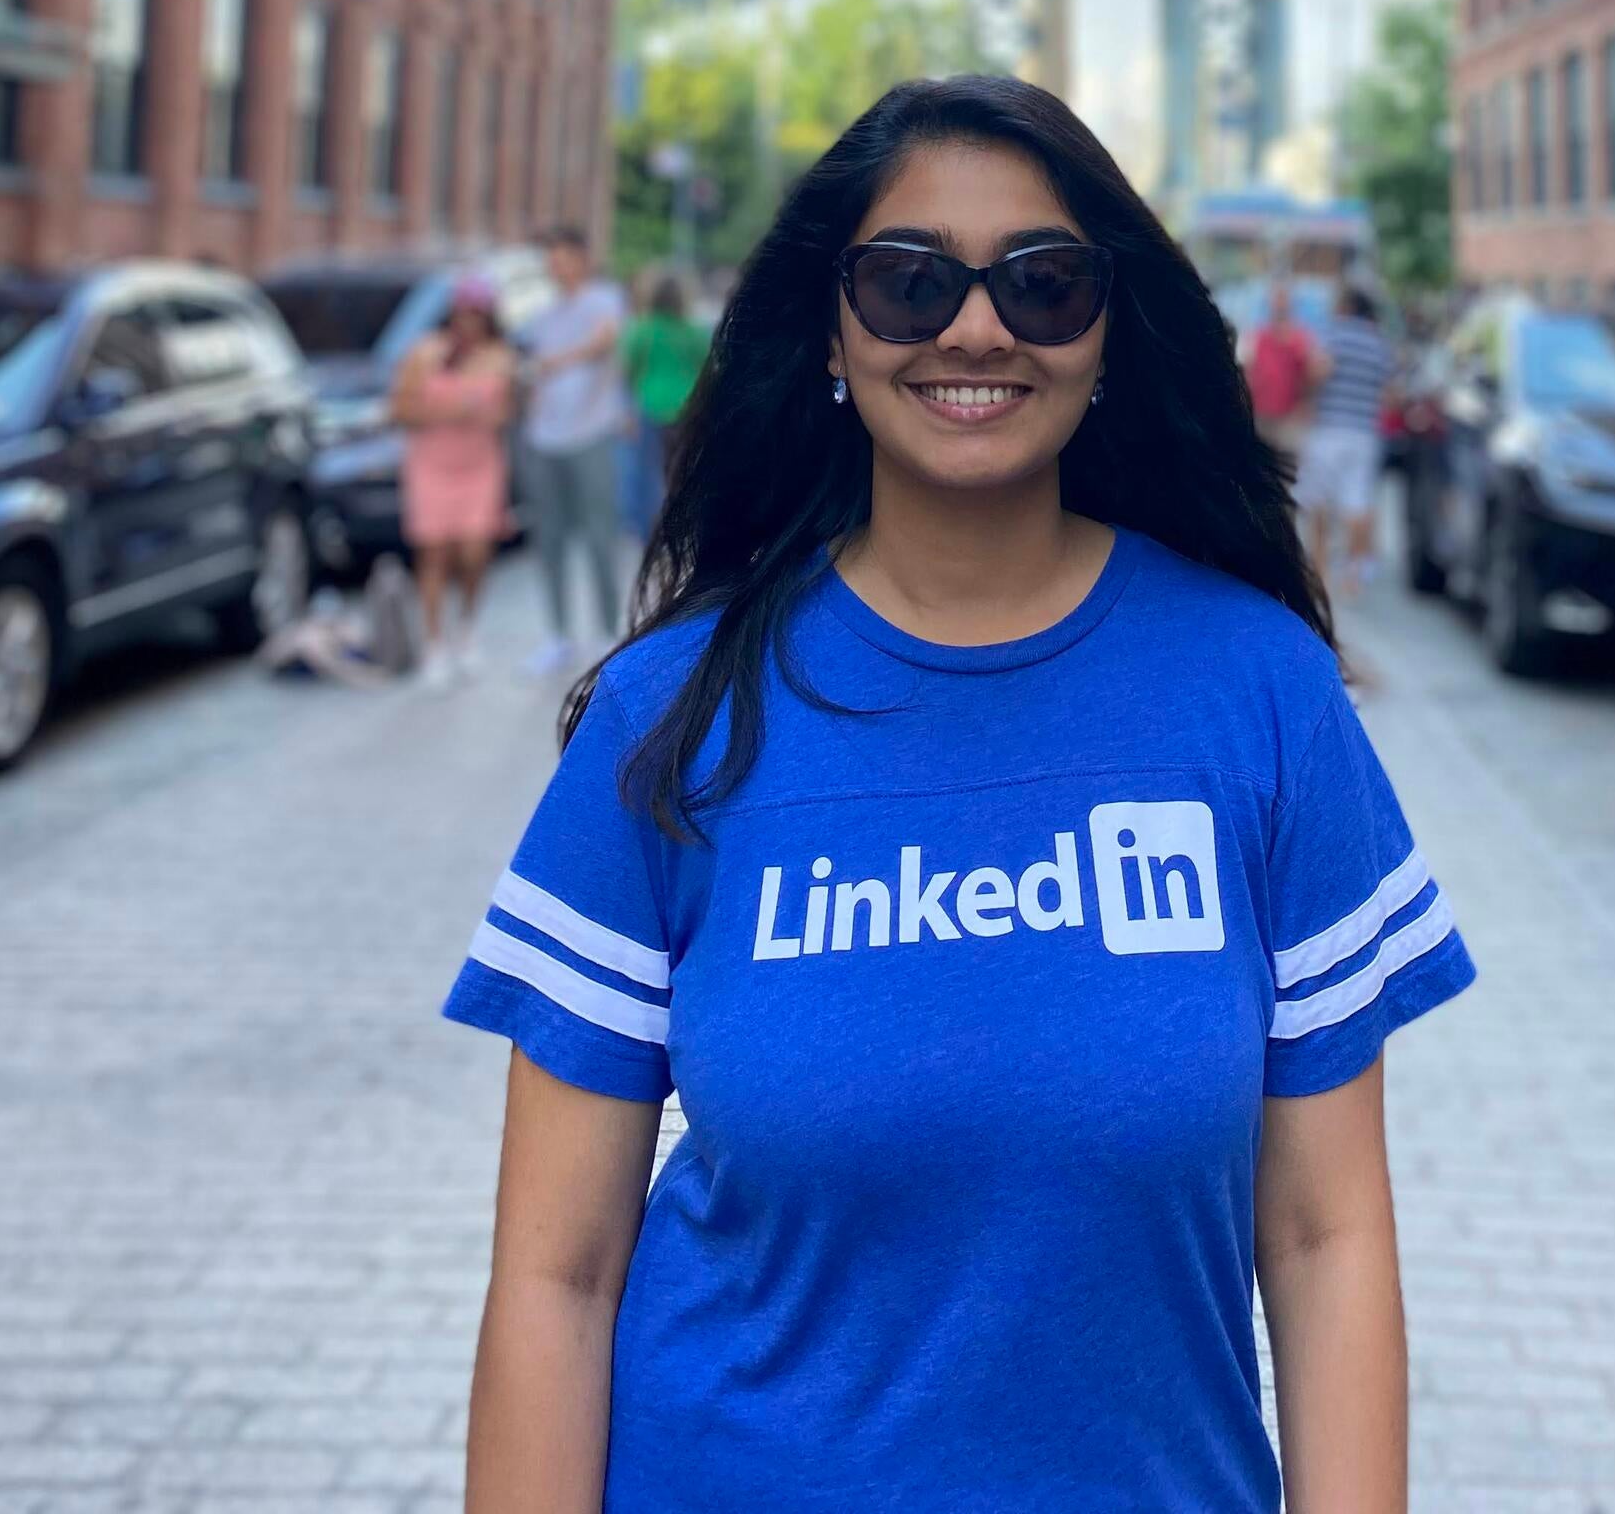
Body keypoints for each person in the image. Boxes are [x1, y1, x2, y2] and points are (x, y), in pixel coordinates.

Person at [446, 76, 1473, 1514]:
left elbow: (1322, 1239)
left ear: (1108, 332)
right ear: (831, 328)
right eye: (908, 282)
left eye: (1042, 285)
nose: (974, 328)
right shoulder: (667, 719)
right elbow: (558, 1277)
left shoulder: (1264, 698)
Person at [391, 276, 517, 688]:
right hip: (431, 463)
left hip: (479, 464)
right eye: (464, 315)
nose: (469, 324)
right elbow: (399, 410)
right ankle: (433, 643)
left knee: (475, 549)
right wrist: (447, 413)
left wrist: (487, 414)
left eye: (478, 316)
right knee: (435, 552)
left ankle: (466, 625)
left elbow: (509, 412)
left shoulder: (500, 357)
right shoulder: (425, 353)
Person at [516, 225, 628, 677]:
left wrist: (554, 363)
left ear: (581, 259)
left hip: (591, 433)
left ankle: (607, 632)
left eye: (562, 257)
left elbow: (604, 342)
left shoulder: (603, 299)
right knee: (550, 540)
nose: (555, 267)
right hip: (545, 438)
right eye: (551, 259)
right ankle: (558, 636)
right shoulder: (545, 314)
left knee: (600, 535)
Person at [1295, 284, 1396, 593]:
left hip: (1329, 429)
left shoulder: (1333, 334)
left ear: (1347, 306)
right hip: (1364, 433)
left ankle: (1321, 568)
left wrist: (1306, 397)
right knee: (1358, 502)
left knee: (1318, 502)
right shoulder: (1380, 344)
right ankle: (1353, 576)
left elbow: (1317, 371)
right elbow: (1390, 395)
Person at [622, 271, 709, 530]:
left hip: (651, 407)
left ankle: (655, 530)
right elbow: (708, 369)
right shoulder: (693, 331)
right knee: (685, 471)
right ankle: (687, 524)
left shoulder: (642, 330)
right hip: (688, 408)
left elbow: (628, 370)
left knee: (650, 473)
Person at [1245, 273, 1318, 452]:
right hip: (1261, 413)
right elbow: (1249, 369)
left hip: (1290, 417)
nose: (1278, 303)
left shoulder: (1301, 338)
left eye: (1282, 297)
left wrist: (1304, 404)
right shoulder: (1259, 335)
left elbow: (1310, 374)